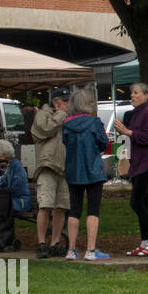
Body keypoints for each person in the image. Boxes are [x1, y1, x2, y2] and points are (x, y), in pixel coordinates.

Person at [113, 83, 148, 254]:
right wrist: (124, 132)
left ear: (146, 96)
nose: (132, 96)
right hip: (137, 163)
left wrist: (128, 132)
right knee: (142, 202)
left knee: (135, 202)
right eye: (132, 93)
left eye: (136, 93)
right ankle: (145, 242)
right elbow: (132, 136)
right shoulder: (136, 114)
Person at [61, 89, 110, 260]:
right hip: (93, 170)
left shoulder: (66, 124)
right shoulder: (94, 123)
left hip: (73, 170)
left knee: (74, 210)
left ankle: (71, 250)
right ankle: (90, 250)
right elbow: (103, 143)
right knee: (93, 210)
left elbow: (65, 142)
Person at [31, 87, 71, 258]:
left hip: (65, 167)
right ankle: (41, 244)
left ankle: (54, 243)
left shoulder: (68, 117)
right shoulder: (42, 114)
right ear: (56, 102)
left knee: (61, 207)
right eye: (66, 101)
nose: (69, 105)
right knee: (45, 206)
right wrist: (61, 114)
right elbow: (45, 129)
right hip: (48, 165)